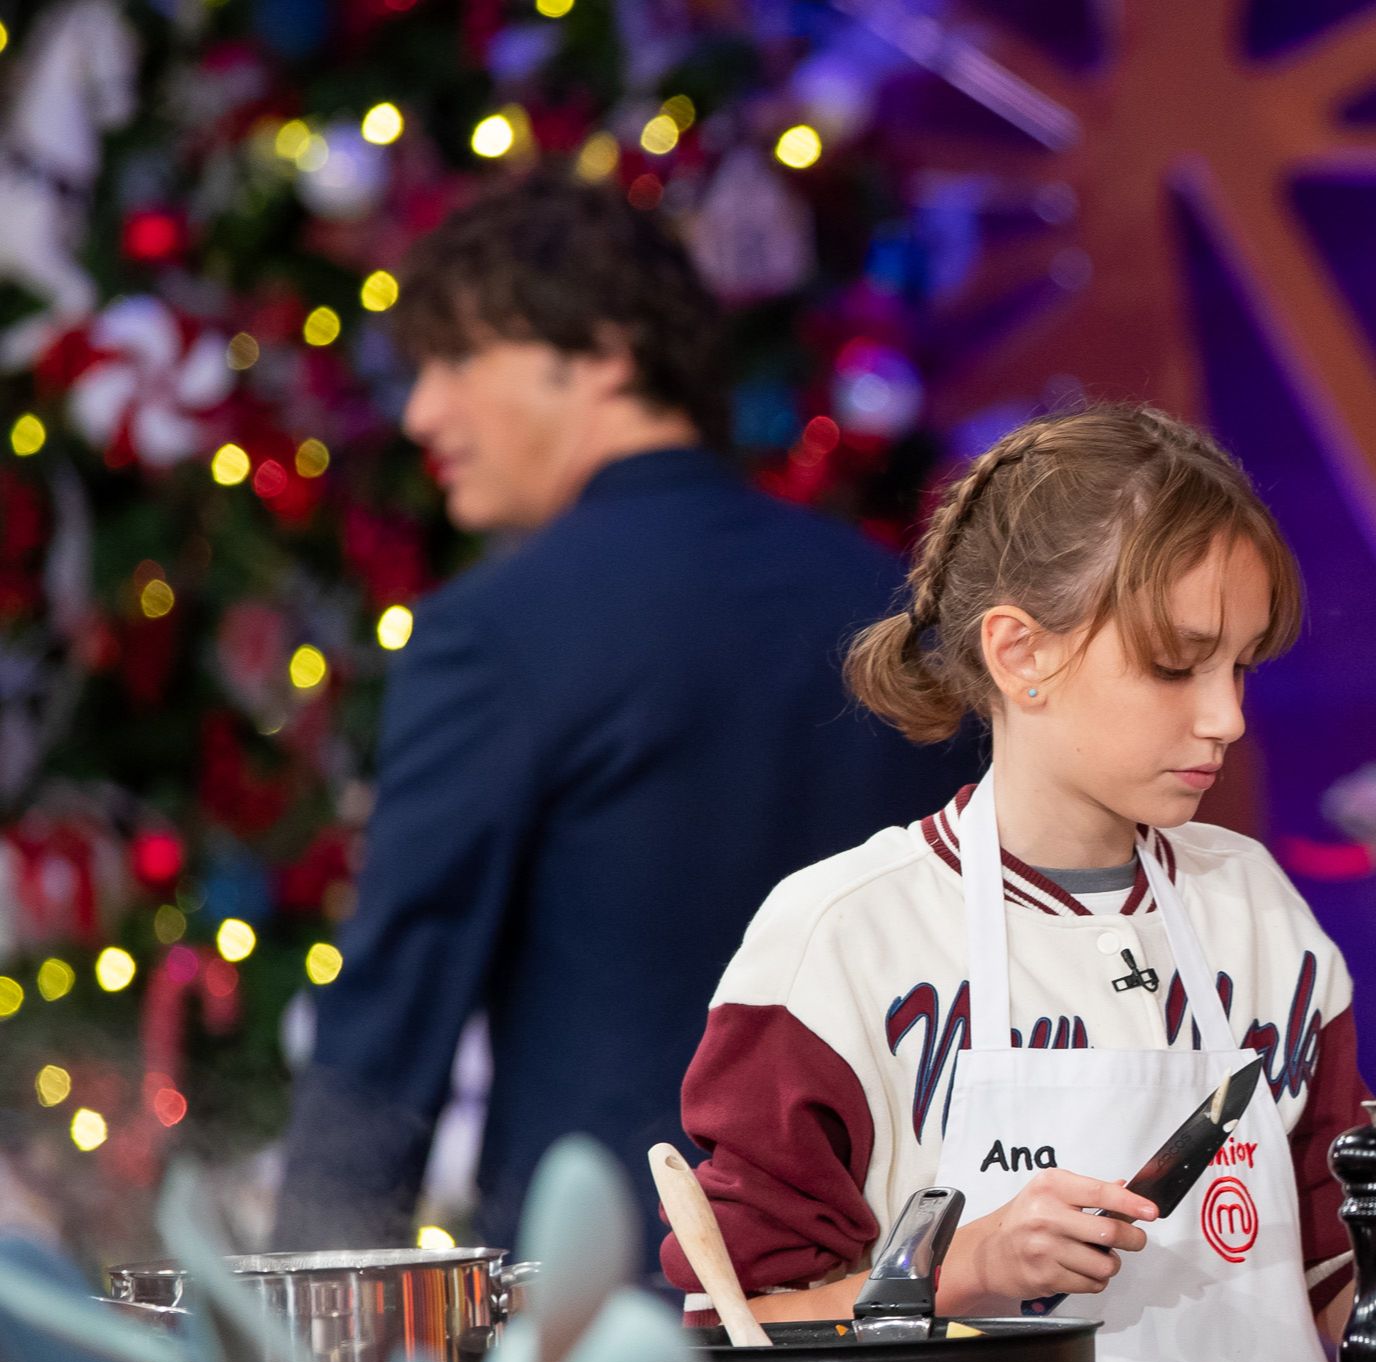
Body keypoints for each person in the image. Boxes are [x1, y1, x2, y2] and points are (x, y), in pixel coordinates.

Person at [667, 404, 1376, 1362]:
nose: (1226, 717)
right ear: (1018, 653)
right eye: (1175, 665)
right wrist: (958, 1270)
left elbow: (1333, 1271)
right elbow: (733, 1333)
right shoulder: (841, 938)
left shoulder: (1256, 907)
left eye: (1240, 665)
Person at [271, 174, 975, 1252]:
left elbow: (391, 1014)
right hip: (914, 1289)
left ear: (601, 351)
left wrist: (300, 1323)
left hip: (619, 1315)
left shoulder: (494, 633)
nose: (421, 412)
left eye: (457, 359)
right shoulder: (898, 605)